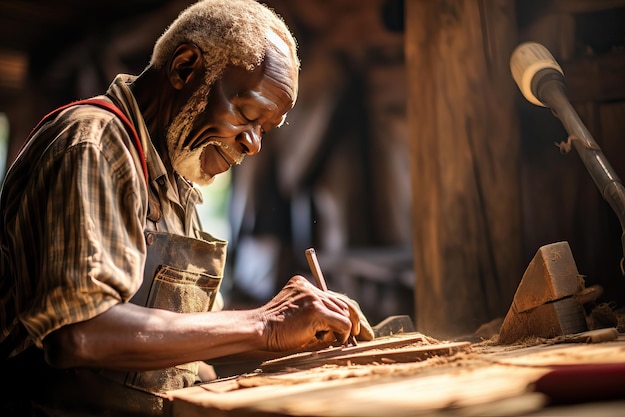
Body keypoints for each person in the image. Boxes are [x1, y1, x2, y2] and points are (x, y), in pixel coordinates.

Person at [0, 0, 373, 415]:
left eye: (264, 130)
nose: (253, 144)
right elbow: (80, 333)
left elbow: (184, 354)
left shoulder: (173, 177)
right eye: (247, 114)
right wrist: (265, 324)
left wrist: (298, 340)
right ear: (184, 69)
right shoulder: (94, 144)